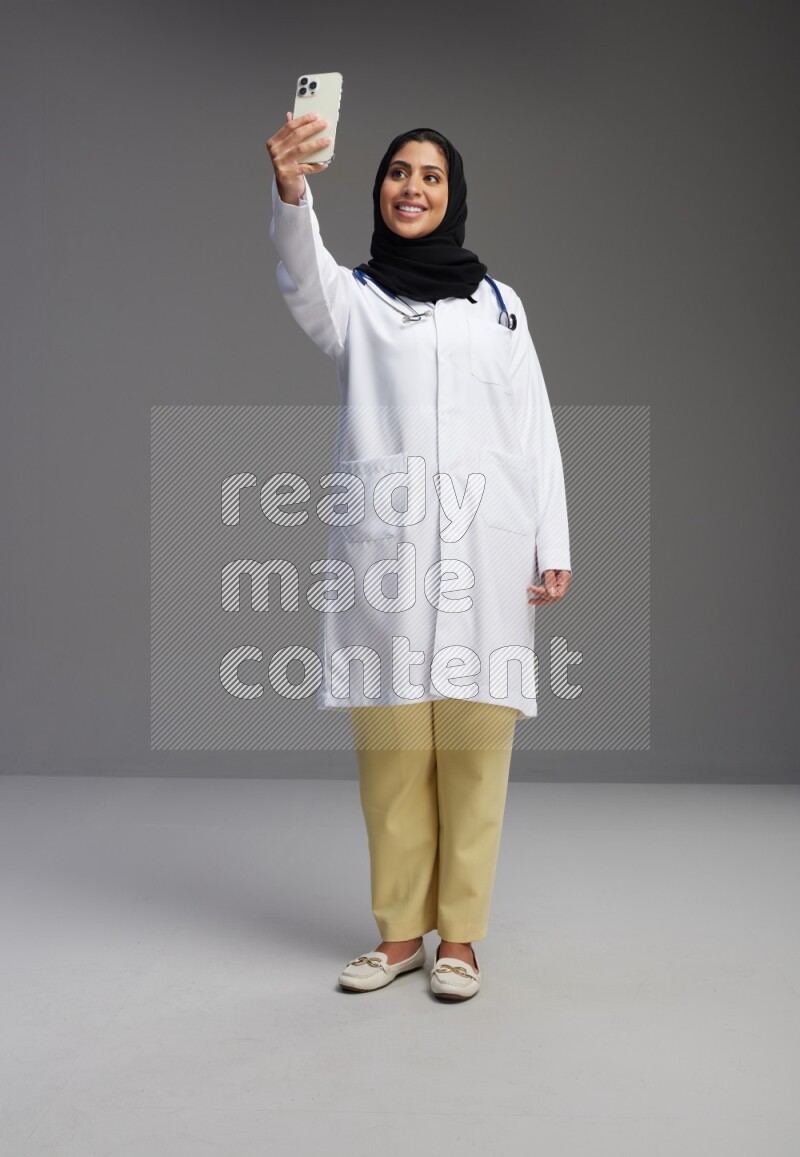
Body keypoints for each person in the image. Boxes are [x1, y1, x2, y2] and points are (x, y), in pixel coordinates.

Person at [266, 112, 572, 1000]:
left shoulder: (502, 307)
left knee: (477, 752)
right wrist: (293, 190)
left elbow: (535, 428)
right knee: (394, 753)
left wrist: (552, 540)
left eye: (431, 176)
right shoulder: (354, 299)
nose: (413, 187)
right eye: (400, 172)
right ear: (380, 189)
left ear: (454, 194)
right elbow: (300, 274)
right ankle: (401, 935)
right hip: (388, 561)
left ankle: (463, 940)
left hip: (487, 551)